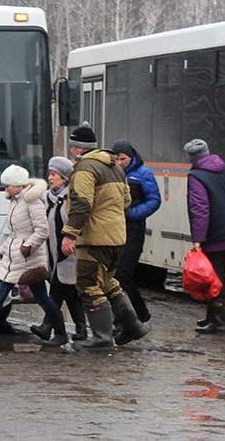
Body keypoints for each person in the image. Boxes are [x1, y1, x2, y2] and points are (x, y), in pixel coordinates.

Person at [0, 165, 68, 349]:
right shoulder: (16, 201)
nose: (5, 189)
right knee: (7, 295)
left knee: (35, 298)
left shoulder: (32, 201)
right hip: (15, 257)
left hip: (28, 258)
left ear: (18, 185)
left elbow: (42, 230)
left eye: (8, 185)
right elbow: (13, 232)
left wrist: (27, 246)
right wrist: (1, 249)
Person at [62, 122, 148, 350]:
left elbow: (82, 202)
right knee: (109, 283)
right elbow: (127, 201)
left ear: (79, 148)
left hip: (94, 238)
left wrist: (70, 233)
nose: (72, 152)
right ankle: (133, 326)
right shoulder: (116, 167)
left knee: (88, 285)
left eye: (73, 147)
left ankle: (101, 338)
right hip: (117, 236)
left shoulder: (85, 169)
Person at [184, 139, 225, 334]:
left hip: (214, 235)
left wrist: (198, 239)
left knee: (214, 278)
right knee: (216, 275)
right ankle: (211, 317)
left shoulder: (197, 176)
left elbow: (200, 209)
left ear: (192, 158)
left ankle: (219, 322)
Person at [30, 156, 89, 342]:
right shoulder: (48, 197)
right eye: (49, 173)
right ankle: (80, 330)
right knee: (70, 293)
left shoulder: (71, 198)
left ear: (64, 178)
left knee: (58, 290)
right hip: (53, 252)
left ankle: (50, 327)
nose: (50, 177)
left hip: (68, 253)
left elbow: (77, 221)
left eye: (53, 174)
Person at [111, 140, 161, 324]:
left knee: (123, 273)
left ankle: (138, 312)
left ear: (130, 158)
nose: (119, 163)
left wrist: (133, 213)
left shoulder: (143, 174)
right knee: (114, 274)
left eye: (122, 159)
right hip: (114, 229)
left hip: (133, 229)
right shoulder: (112, 174)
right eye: (116, 159)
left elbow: (154, 200)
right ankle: (124, 315)